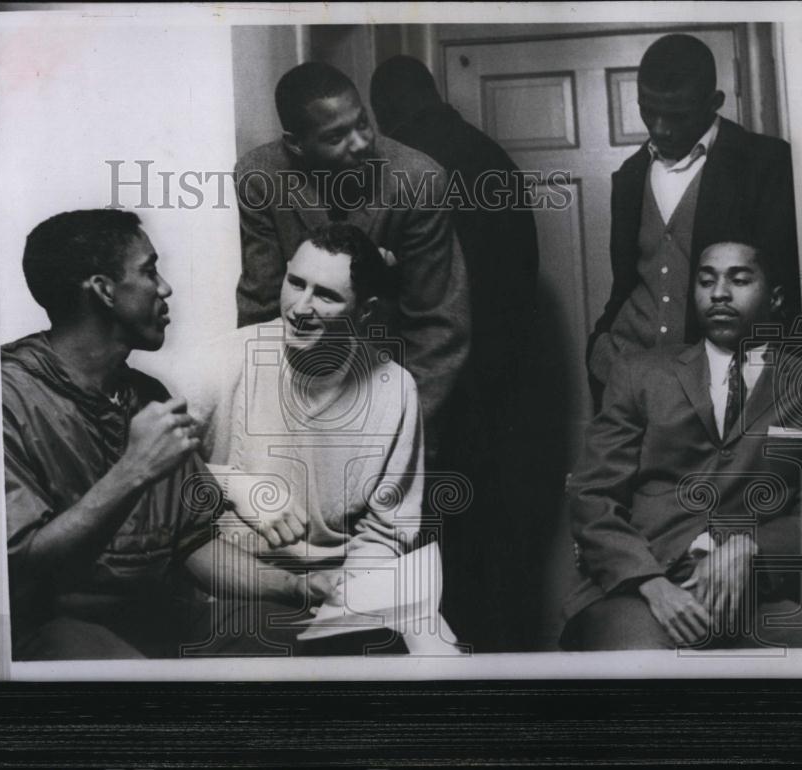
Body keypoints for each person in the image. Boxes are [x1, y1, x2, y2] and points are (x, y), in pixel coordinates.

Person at [2, 209, 332, 660]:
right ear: (103, 290)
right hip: (54, 632)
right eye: (149, 270)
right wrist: (134, 469)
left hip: (160, 618)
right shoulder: (4, 397)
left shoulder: (148, 395)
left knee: (332, 641)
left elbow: (191, 544)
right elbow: (19, 566)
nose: (165, 288)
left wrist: (299, 586)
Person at [186, 223, 446, 654]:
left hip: (339, 592)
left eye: (326, 295)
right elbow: (148, 486)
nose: (300, 307)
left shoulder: (394, 388)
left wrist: (349, 600)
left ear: (365, 310)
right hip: (241, 587)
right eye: (295, 283)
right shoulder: (218, 363)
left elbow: (385, 529)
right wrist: (233, 483)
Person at [563, 241, 802, 651]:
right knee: (651, 675)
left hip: (753, 597)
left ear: (777, 298)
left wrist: (753, 547)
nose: (719, 293)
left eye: (739, 279)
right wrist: (651, 584)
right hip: (637, 591)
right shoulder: (640, 374)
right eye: (706, 280)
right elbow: (592, 494)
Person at [370, 54, 541, 651]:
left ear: (381, 110)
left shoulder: (396, 171)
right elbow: (521, 286)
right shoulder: (494, 157)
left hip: (425, 388)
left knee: (423, 549)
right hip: (500, 389)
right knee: (490, 546)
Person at [234, 61, 470, 459]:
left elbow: (439, 326)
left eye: (363, 123)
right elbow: (260, 309)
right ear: (295, 144)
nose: (361, 142)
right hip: (299, 397)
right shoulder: (258, 177)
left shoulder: (419, 181)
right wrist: (272, 426)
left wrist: (399, 433)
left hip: (394, 387)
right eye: (337, 135)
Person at [586, 33, 801, 411]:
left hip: (720, 390)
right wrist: (601, 349)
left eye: (677, 115)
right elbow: (627, 284)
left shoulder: (766, 164)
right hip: (628, 379)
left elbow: (785, 294)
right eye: (647, 110)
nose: (660, 127)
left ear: (713, 103)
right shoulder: (629, 177)